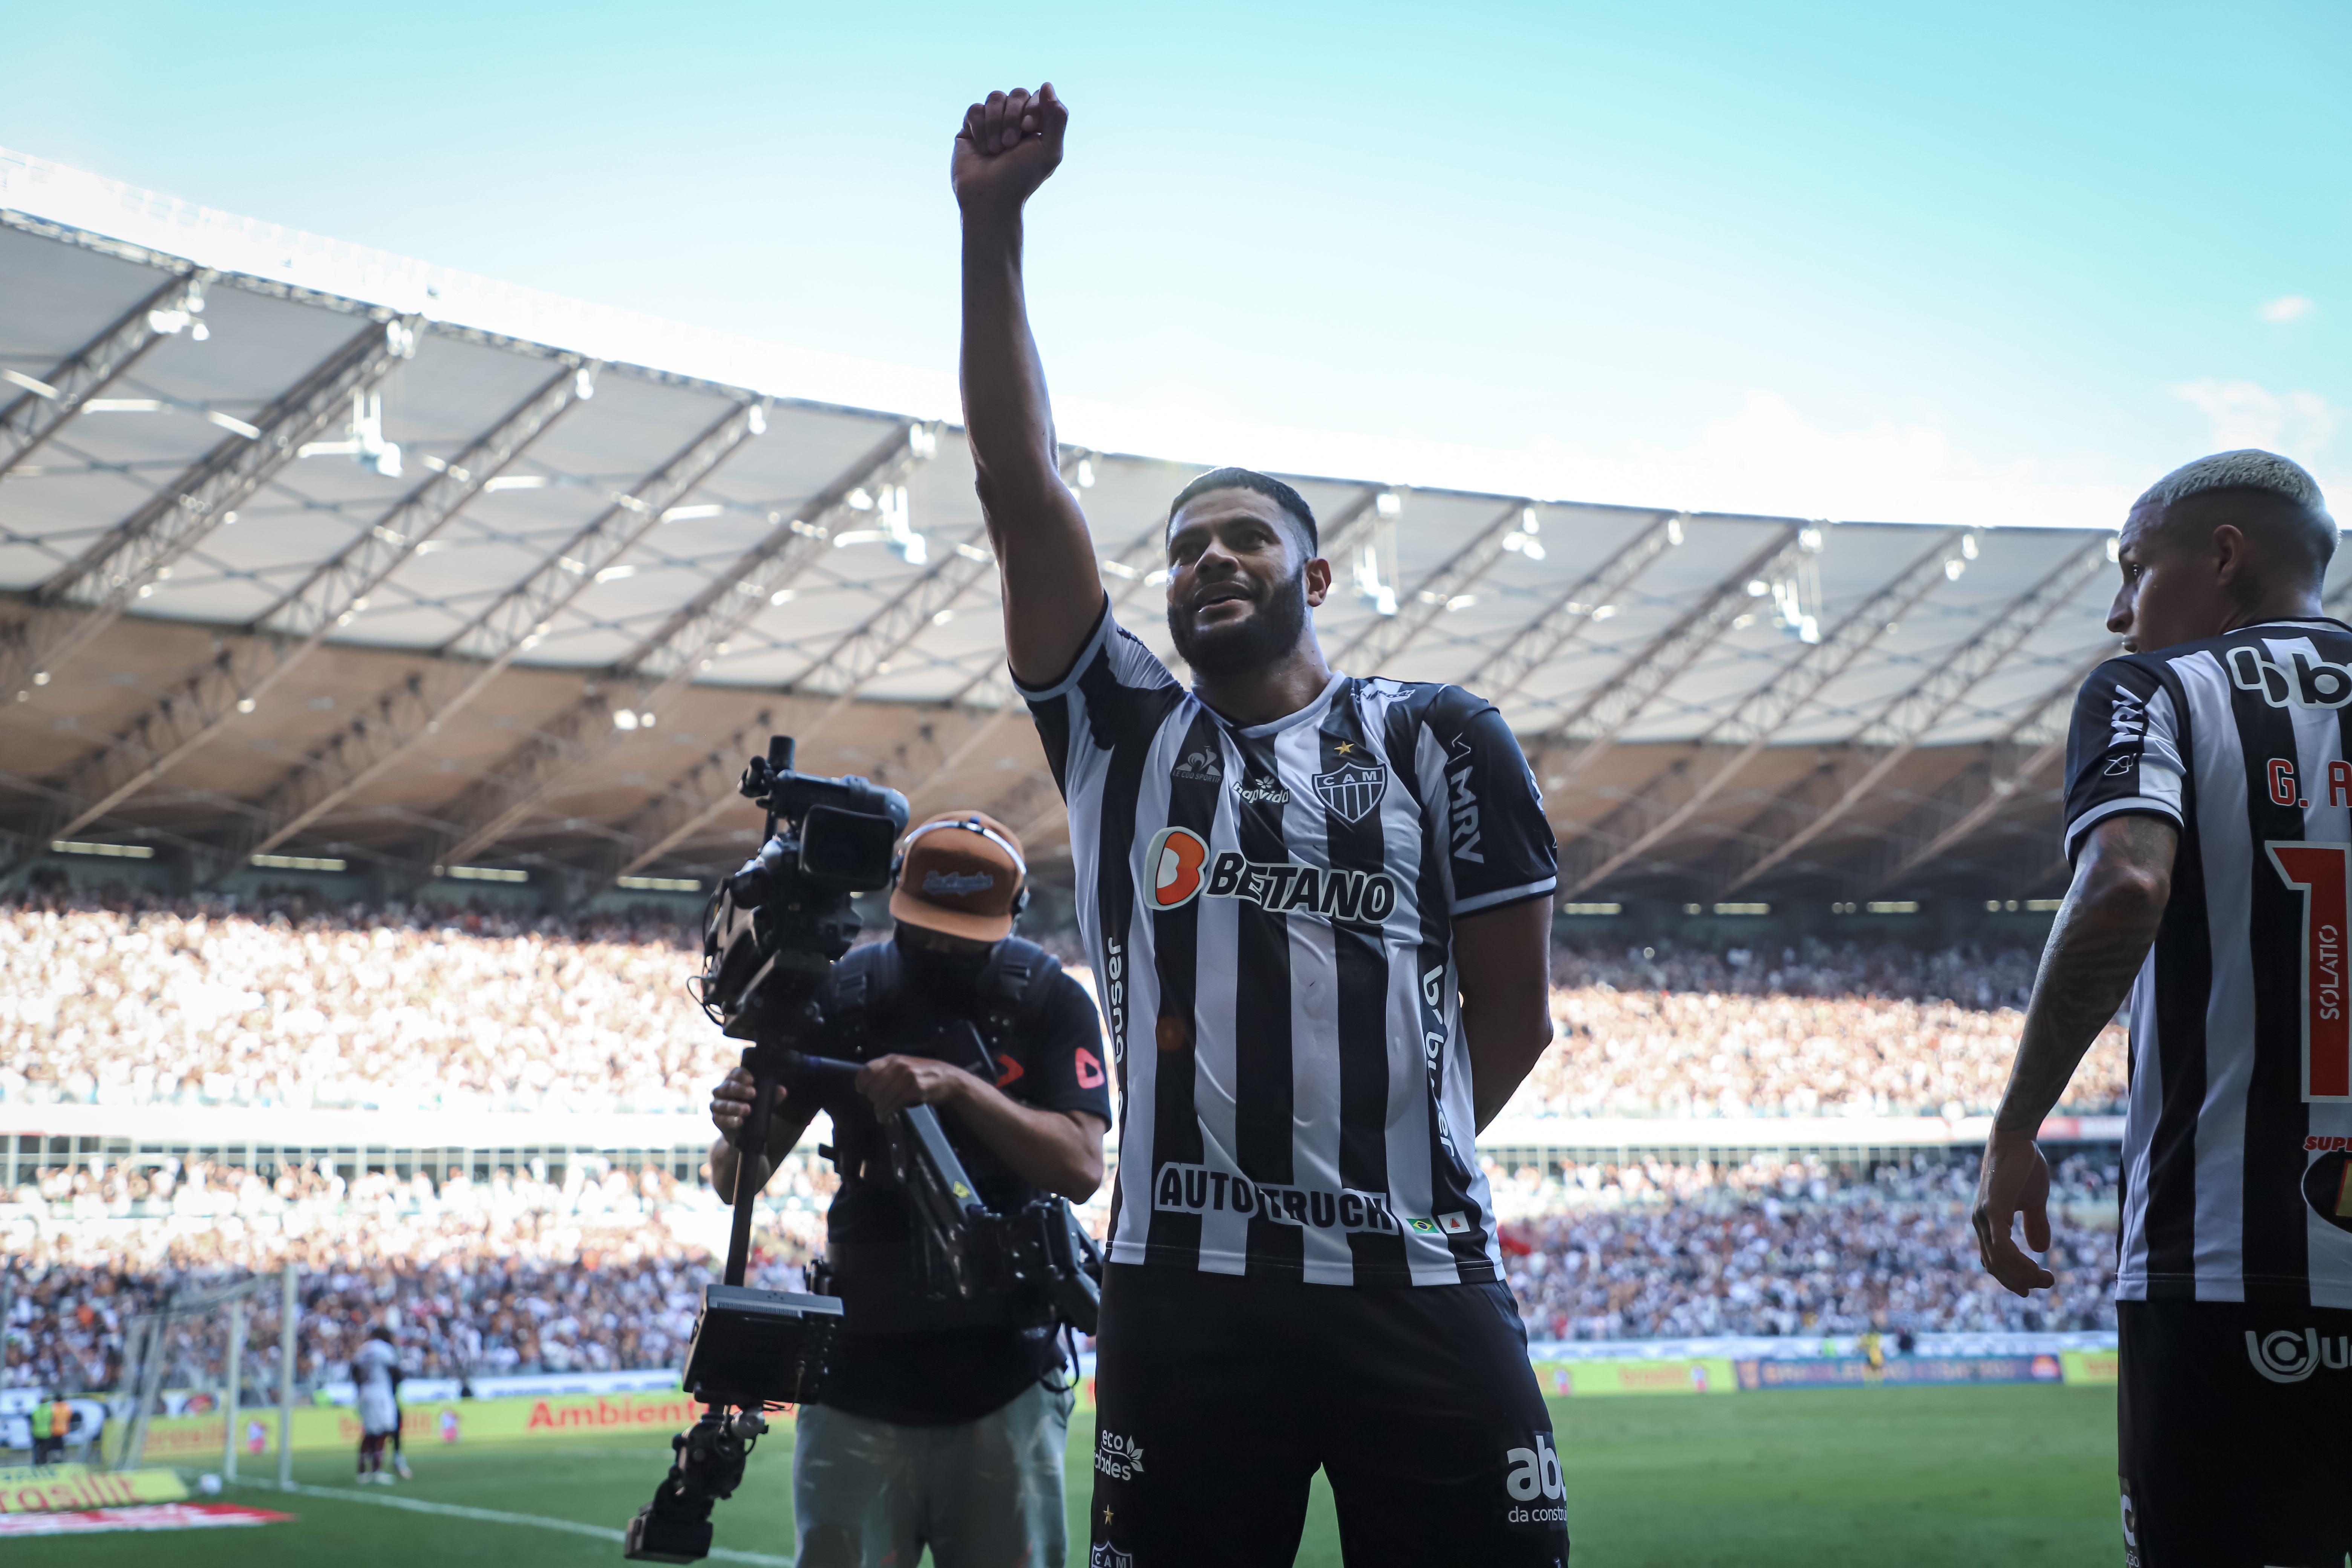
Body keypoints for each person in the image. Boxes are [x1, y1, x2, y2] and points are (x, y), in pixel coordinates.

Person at [952, 84, 1567, 1567]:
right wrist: (991, 230)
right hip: (1185, 1294)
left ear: (1318, 572)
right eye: (1182, 549)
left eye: (1244, 538)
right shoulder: (1123, 731)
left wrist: (1371, 1171)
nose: (1207, 561)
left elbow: (1518, 1015)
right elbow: (1020, 491)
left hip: (1418, 1275)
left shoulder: (1439, 735)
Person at [1973, 449, 2352, 1568]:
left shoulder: (2159, 688)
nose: (2117, 609)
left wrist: (2012, 1127)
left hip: (2224, 1262)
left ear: (2223, 558)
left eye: (2134, 569)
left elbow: (2125, 883)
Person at [708, 810, 1112, 1568]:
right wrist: (739, 1125)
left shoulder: (1050, 1001)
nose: (941, 948)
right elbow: (738, 1180)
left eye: (963, 934)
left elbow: (1081, 1167)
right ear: (895, 900)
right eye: (928, 928)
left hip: (1007, 1371)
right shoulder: (841, 994)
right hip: (858, 1371)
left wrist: (957, 1087)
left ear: (1011, 918)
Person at [352, 1326, 401, 1484]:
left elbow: (354, 1371)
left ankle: (362, 1471)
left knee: (370, 1432)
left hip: (365, 1392)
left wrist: (360, 1388)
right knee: (383, 1431)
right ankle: (377, 1470)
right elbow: (395, 1370)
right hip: (381, 1393)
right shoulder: (384, 1349)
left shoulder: (363, 1350)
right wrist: (394, 1388)